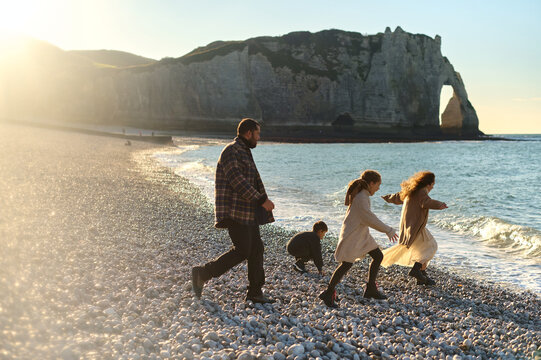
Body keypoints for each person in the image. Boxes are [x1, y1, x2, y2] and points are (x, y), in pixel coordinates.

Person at [192, 118, 276, 303]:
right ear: (248, 133)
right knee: (243, 250)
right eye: (257, 133)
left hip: (247, 212)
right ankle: (202, 273)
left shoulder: (244, 151)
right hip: (235, 212)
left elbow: (249, 181)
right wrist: (262, 200)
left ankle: (255, 292)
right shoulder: (231, 151)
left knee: (256, 249)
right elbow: (238, 181)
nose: (259, 138)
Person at [319, 170, 398, 308]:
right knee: (346, 264)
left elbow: (367, 218)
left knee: (378, 256)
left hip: (361, 234)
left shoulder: (363, 195)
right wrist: (388, 230)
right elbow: (369, 218)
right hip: (353, 235)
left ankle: (371, 289)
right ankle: (328, 292)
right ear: (371, 183)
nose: (379, 188)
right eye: (378, 185)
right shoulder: (362, 197)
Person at [380, 171, 448, 285]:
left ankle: (422, 277)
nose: (433, 187)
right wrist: (439, 205)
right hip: (415, 227)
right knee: (431, 246)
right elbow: (426, 202)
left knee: (421, 250)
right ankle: (416, 270)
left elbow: (397, 197)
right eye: (433, 184)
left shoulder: (411, 191)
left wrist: (387, 198)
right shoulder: (421, 193)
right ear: (428, 184)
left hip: (410, 226)